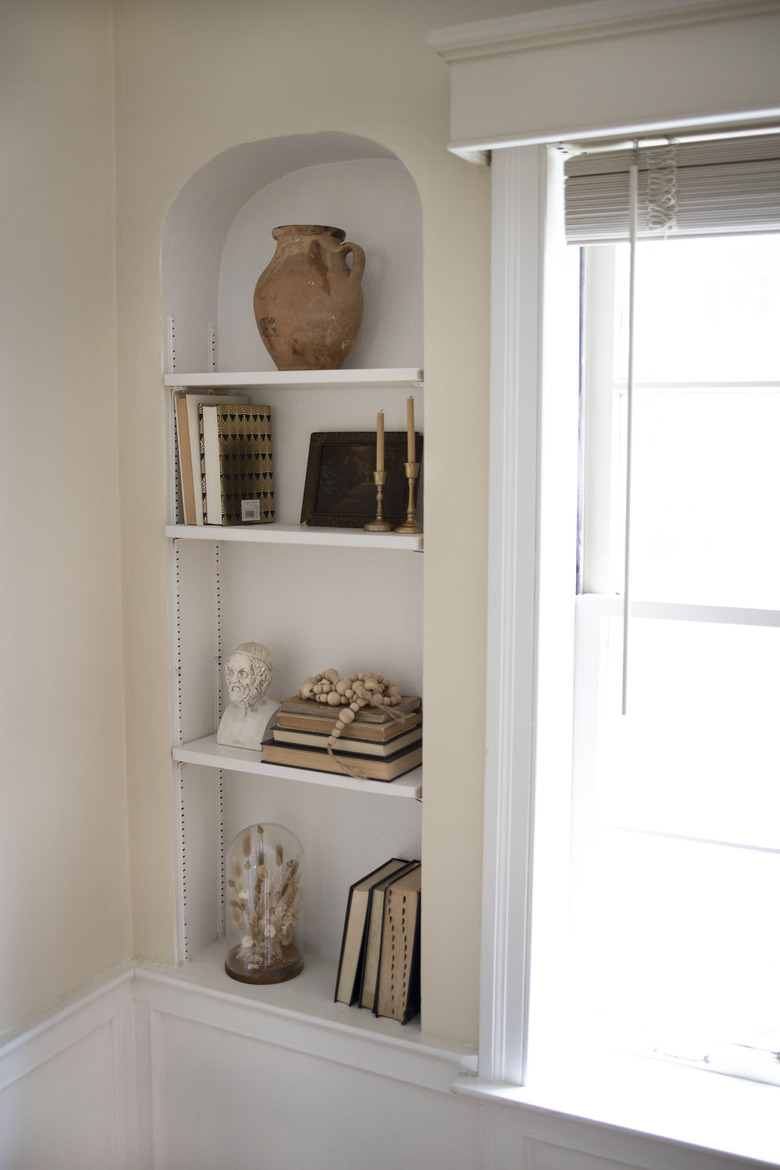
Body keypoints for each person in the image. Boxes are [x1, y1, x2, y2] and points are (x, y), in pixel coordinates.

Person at [217, 642, 279, 751]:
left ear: (261, 678)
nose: (234, 679)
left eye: (243, 673)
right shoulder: (229, 712)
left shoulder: (275, 711)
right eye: (231, 672)